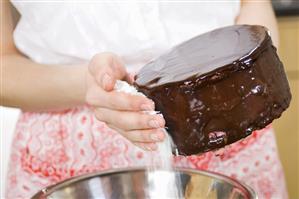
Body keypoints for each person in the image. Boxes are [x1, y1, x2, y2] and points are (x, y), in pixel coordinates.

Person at [1, 0, 287, 198]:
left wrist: (251, 68)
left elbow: (252, 4)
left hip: (227, 129)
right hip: (69, 157)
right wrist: (93, 86)